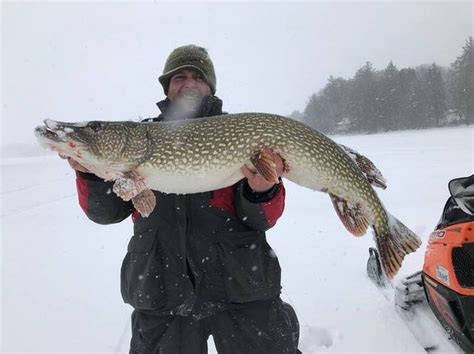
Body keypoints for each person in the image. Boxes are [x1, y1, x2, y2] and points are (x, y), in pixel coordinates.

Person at [62, 44, 301, 354]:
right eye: (178, 77)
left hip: (241, 285)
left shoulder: (240, 134)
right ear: (167, 88)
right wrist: (91, 174)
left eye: (197, 76)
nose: (188, 83)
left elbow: (261, 219)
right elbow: (105, 213)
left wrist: (261, 190)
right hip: (162, 291)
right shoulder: (139, 141)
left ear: (210, 86)